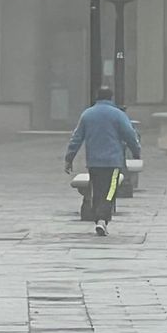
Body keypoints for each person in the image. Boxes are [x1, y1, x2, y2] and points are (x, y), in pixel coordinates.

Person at [63, 87, 141, 237]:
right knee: (110, 191)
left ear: (96, 97)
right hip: (113, 162)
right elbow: (130, 135)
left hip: (94, 162)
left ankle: (99, 218)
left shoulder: (87, 115)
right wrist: (136, 152)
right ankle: (102, 219)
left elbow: (76, 138)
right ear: (111, 98)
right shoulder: (118, 115)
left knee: (97, 191)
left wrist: (69, 158)